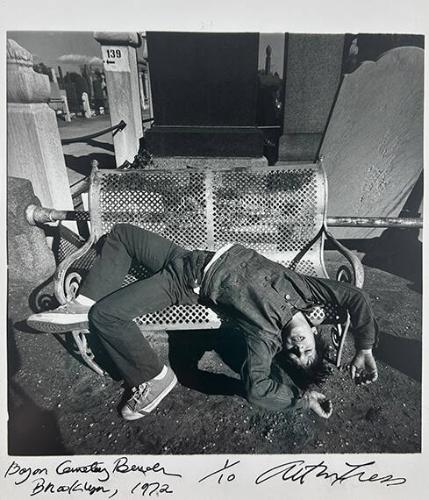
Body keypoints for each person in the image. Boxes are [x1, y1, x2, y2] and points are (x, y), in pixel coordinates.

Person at [28, 224, 379, 421]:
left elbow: (258, 389)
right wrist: (363, 348)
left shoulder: (265, 336)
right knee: (121, 234)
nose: (297, 348)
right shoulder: (303, 289)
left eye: (293, 356)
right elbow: (355, 297)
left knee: (105, 316)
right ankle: (82, 302)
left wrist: (301, 398)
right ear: (317, 338)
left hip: (185, 282)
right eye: (308, 352)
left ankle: (152, 377)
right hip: (185, 257)